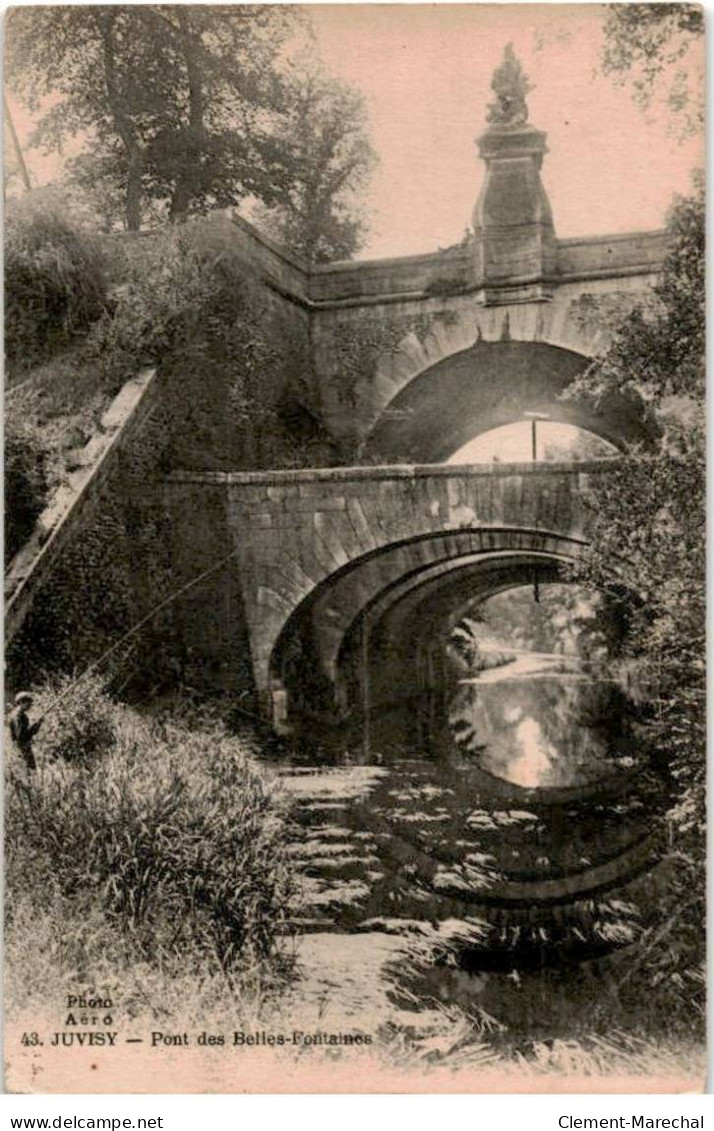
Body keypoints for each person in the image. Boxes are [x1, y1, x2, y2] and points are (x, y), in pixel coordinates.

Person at [8, 691, 42, 772]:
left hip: (21, 747)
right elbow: (22, 735)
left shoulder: (20, 715)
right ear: (21, 702)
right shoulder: (18, 717)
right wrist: (35, 725)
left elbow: (27, 732)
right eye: (28, 702)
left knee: (29, 771)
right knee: (30, 770)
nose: (30, 705)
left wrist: (37, 724)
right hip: (22, 748)